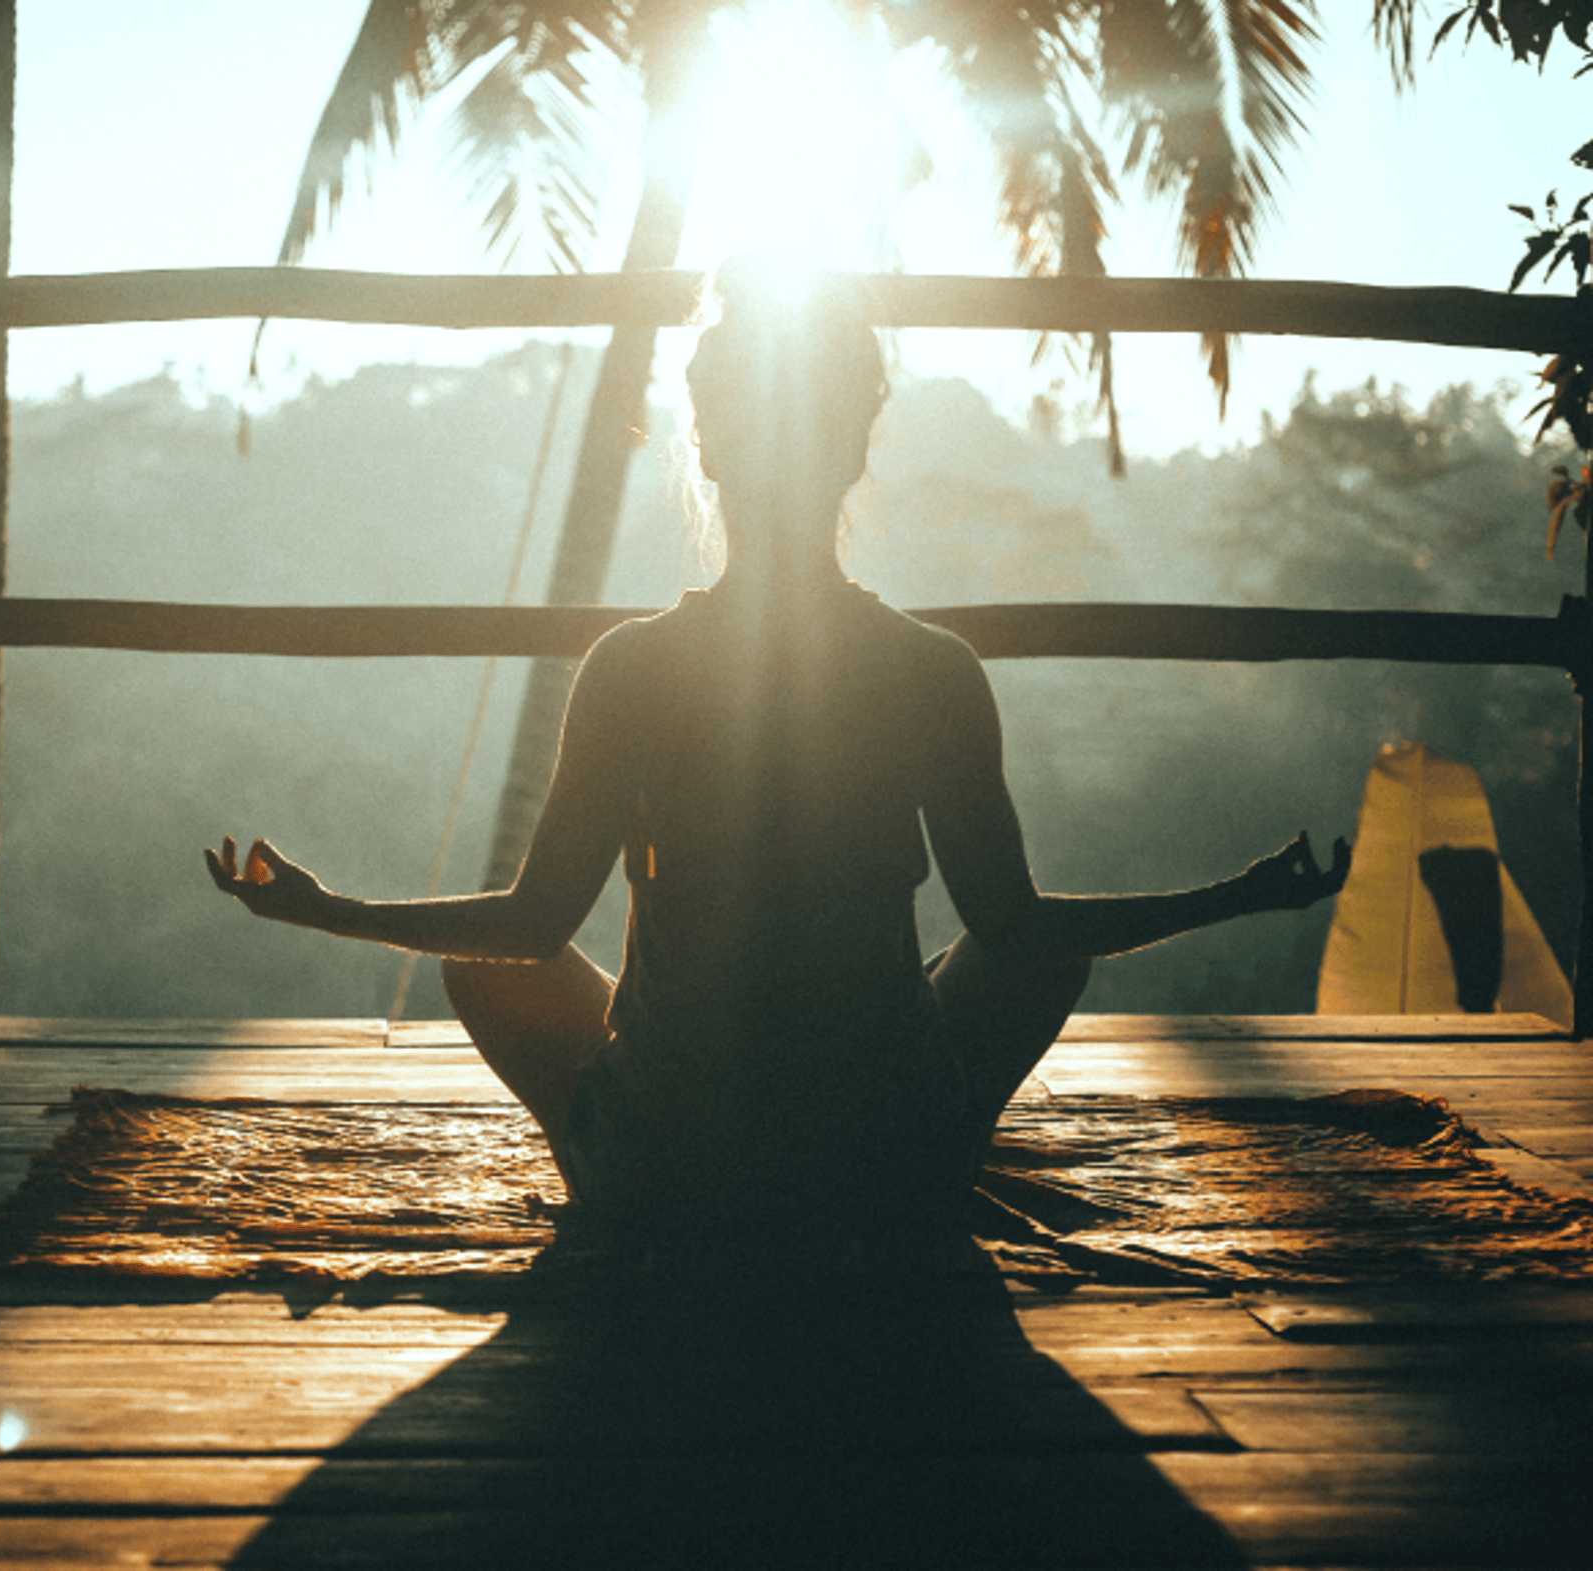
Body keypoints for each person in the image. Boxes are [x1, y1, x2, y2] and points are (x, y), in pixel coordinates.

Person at [207, 256, 1350, 1245]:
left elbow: (532, 925)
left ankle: (615, 1170)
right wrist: (1240, 894)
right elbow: (1017, 929)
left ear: (706, 448)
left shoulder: (632, 666)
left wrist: (326, 906)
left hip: (674, 1172)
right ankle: (934, 1151)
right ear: (855, 449)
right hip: (882, 1166)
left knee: (486, 964)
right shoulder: (931, 669)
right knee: (1039, 949)